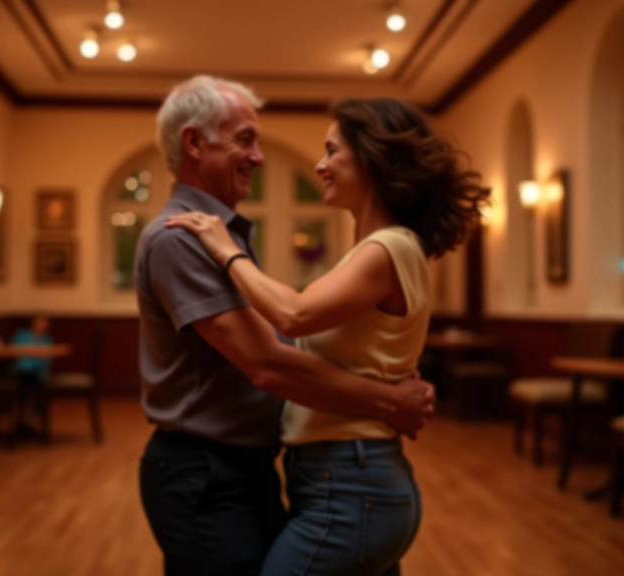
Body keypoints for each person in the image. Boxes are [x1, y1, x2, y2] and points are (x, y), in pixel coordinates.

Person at [167, 97, 490, 575]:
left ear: (373, 160)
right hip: (349, 481)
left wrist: (225, 250)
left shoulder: (388, 247)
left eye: (332, 151)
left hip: (352, 486)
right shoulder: (381, 249)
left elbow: (293, 314)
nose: (320, 165)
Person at [9, 314, 52, 435]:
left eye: (44, 323)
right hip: (20, 371)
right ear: (33, 322)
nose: (41, 325)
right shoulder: (21, 335)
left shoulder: (47, 340)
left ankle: (30, 420)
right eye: (39, 321)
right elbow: (14, 351)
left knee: (40, 387)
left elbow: (47, 360)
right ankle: (20, 420)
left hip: (38, 373)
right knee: (21, 385)